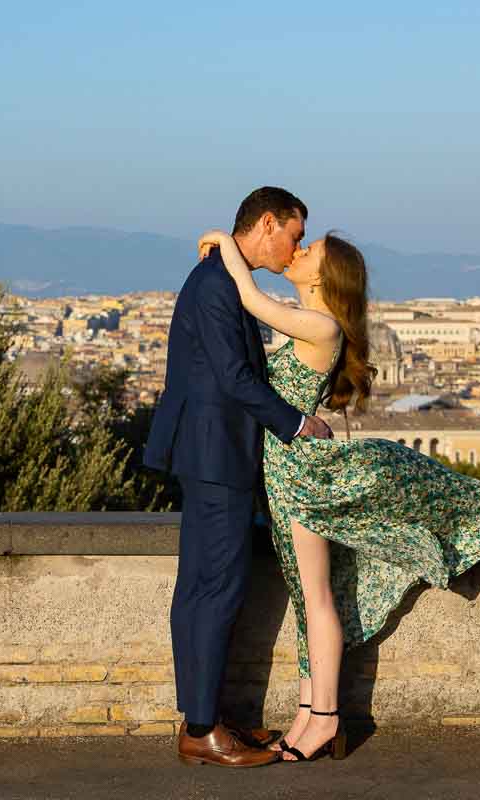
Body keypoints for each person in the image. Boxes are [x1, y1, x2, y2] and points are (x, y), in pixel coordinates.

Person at [195, 228, 480, 762]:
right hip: (286, 473)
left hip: (303, 477)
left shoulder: (319, 325)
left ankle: (325, 718)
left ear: (325, 277)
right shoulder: (311, 322)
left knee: (317, 596)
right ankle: (308, 713)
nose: (297, 253)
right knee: (309, 596)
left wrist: (227, 245)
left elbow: (250, 299)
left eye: (309, 251)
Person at [144, 187, 335, 768]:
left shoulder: (219, 279)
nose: (294, 248)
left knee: (205, 586)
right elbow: (233, 376)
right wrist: (298, 424)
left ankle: (204, 719)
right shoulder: (218, 284)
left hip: (210, 453)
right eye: (295, 236)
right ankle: (201, 729)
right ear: (270, 223)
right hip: (216, 455)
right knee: (216, 588)